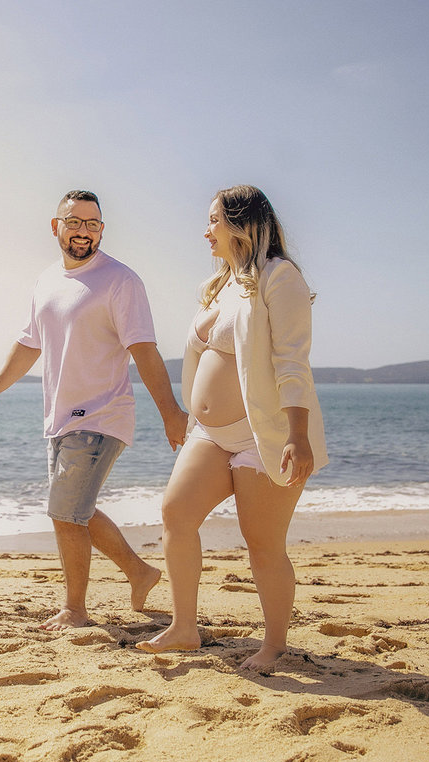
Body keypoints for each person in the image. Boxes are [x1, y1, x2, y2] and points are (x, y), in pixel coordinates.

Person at [0, 189, 189, 631]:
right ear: (56, 227)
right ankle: (139, 573)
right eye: (74, 222)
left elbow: (144, 350)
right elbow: (29, 343)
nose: (83, 232)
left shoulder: (120, 281)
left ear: (102, 230)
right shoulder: (47, 280)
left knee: (64, 511)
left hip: (102, 414)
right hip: (59, 417)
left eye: (92, 224)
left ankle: (75, 609)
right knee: (75, 509)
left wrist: (171, 412)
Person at [136, 185, 328, 674]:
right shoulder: (219, 284)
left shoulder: (278, 277)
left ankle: (275, 645)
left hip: (261, 434)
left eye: (213, 221)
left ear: (241, 223)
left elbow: (292, 362)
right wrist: (185, 414)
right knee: (176, 513)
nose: (206, 231)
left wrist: (298, 435)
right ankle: (184, 627)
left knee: (262, 544)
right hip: (209, 433)